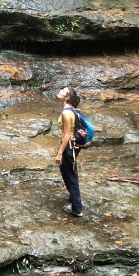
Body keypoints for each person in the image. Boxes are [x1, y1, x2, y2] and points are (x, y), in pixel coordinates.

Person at [55, 86, 83, 217]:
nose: (60, 91)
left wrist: (60, 152)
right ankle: (73, 198)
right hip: (71, 146)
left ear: (67, 97)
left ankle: (77, 208)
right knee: (66, 171)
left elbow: (66, 135)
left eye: (63, 91)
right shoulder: (71, 110)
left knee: (71, 174)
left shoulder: (67, 113)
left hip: (69, 146)